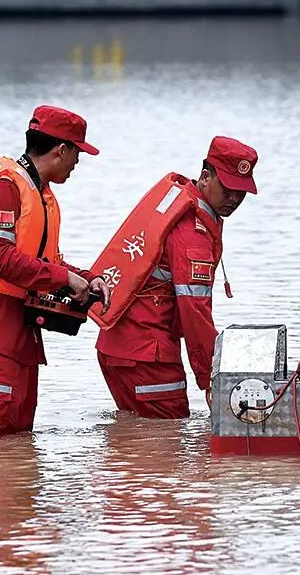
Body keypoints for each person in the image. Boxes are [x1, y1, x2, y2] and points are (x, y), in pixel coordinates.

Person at [0, 105, 110, 437]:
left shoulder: (38, 193)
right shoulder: (3, 185)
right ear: (61, 150)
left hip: (22, 335)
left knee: (18, 451)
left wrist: (86, 277)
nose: (78, 163)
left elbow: (45, 262)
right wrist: (62, 278)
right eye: (78, 154)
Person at [90, 136, 257, 418]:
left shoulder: (182, 202)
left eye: (241, 193)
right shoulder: (193, 233)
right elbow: (195, 312)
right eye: (228, 189)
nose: (234, 199)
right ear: (205, 176)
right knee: (168, 442)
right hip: (149, 356)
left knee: (138, 442)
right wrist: (210, 379)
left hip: (116, 347)